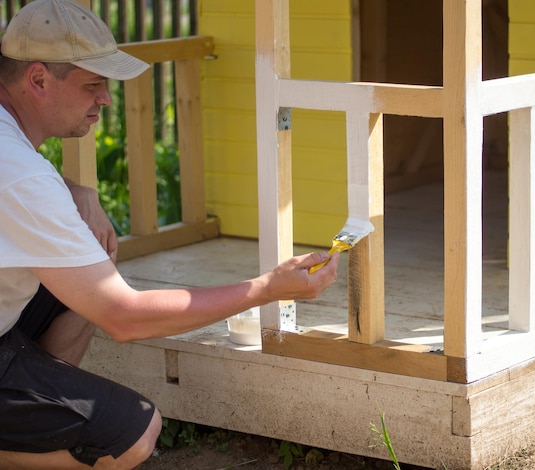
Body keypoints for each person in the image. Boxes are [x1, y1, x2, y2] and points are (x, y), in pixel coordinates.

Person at [0, 0, 339, 468]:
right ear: (37, 79)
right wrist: (265, 288)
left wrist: (76, 190)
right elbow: (125, 317)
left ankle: (37, 408)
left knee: (89, 251)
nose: (105, 99)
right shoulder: (22, 177)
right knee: (133, 434)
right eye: (93, 85)